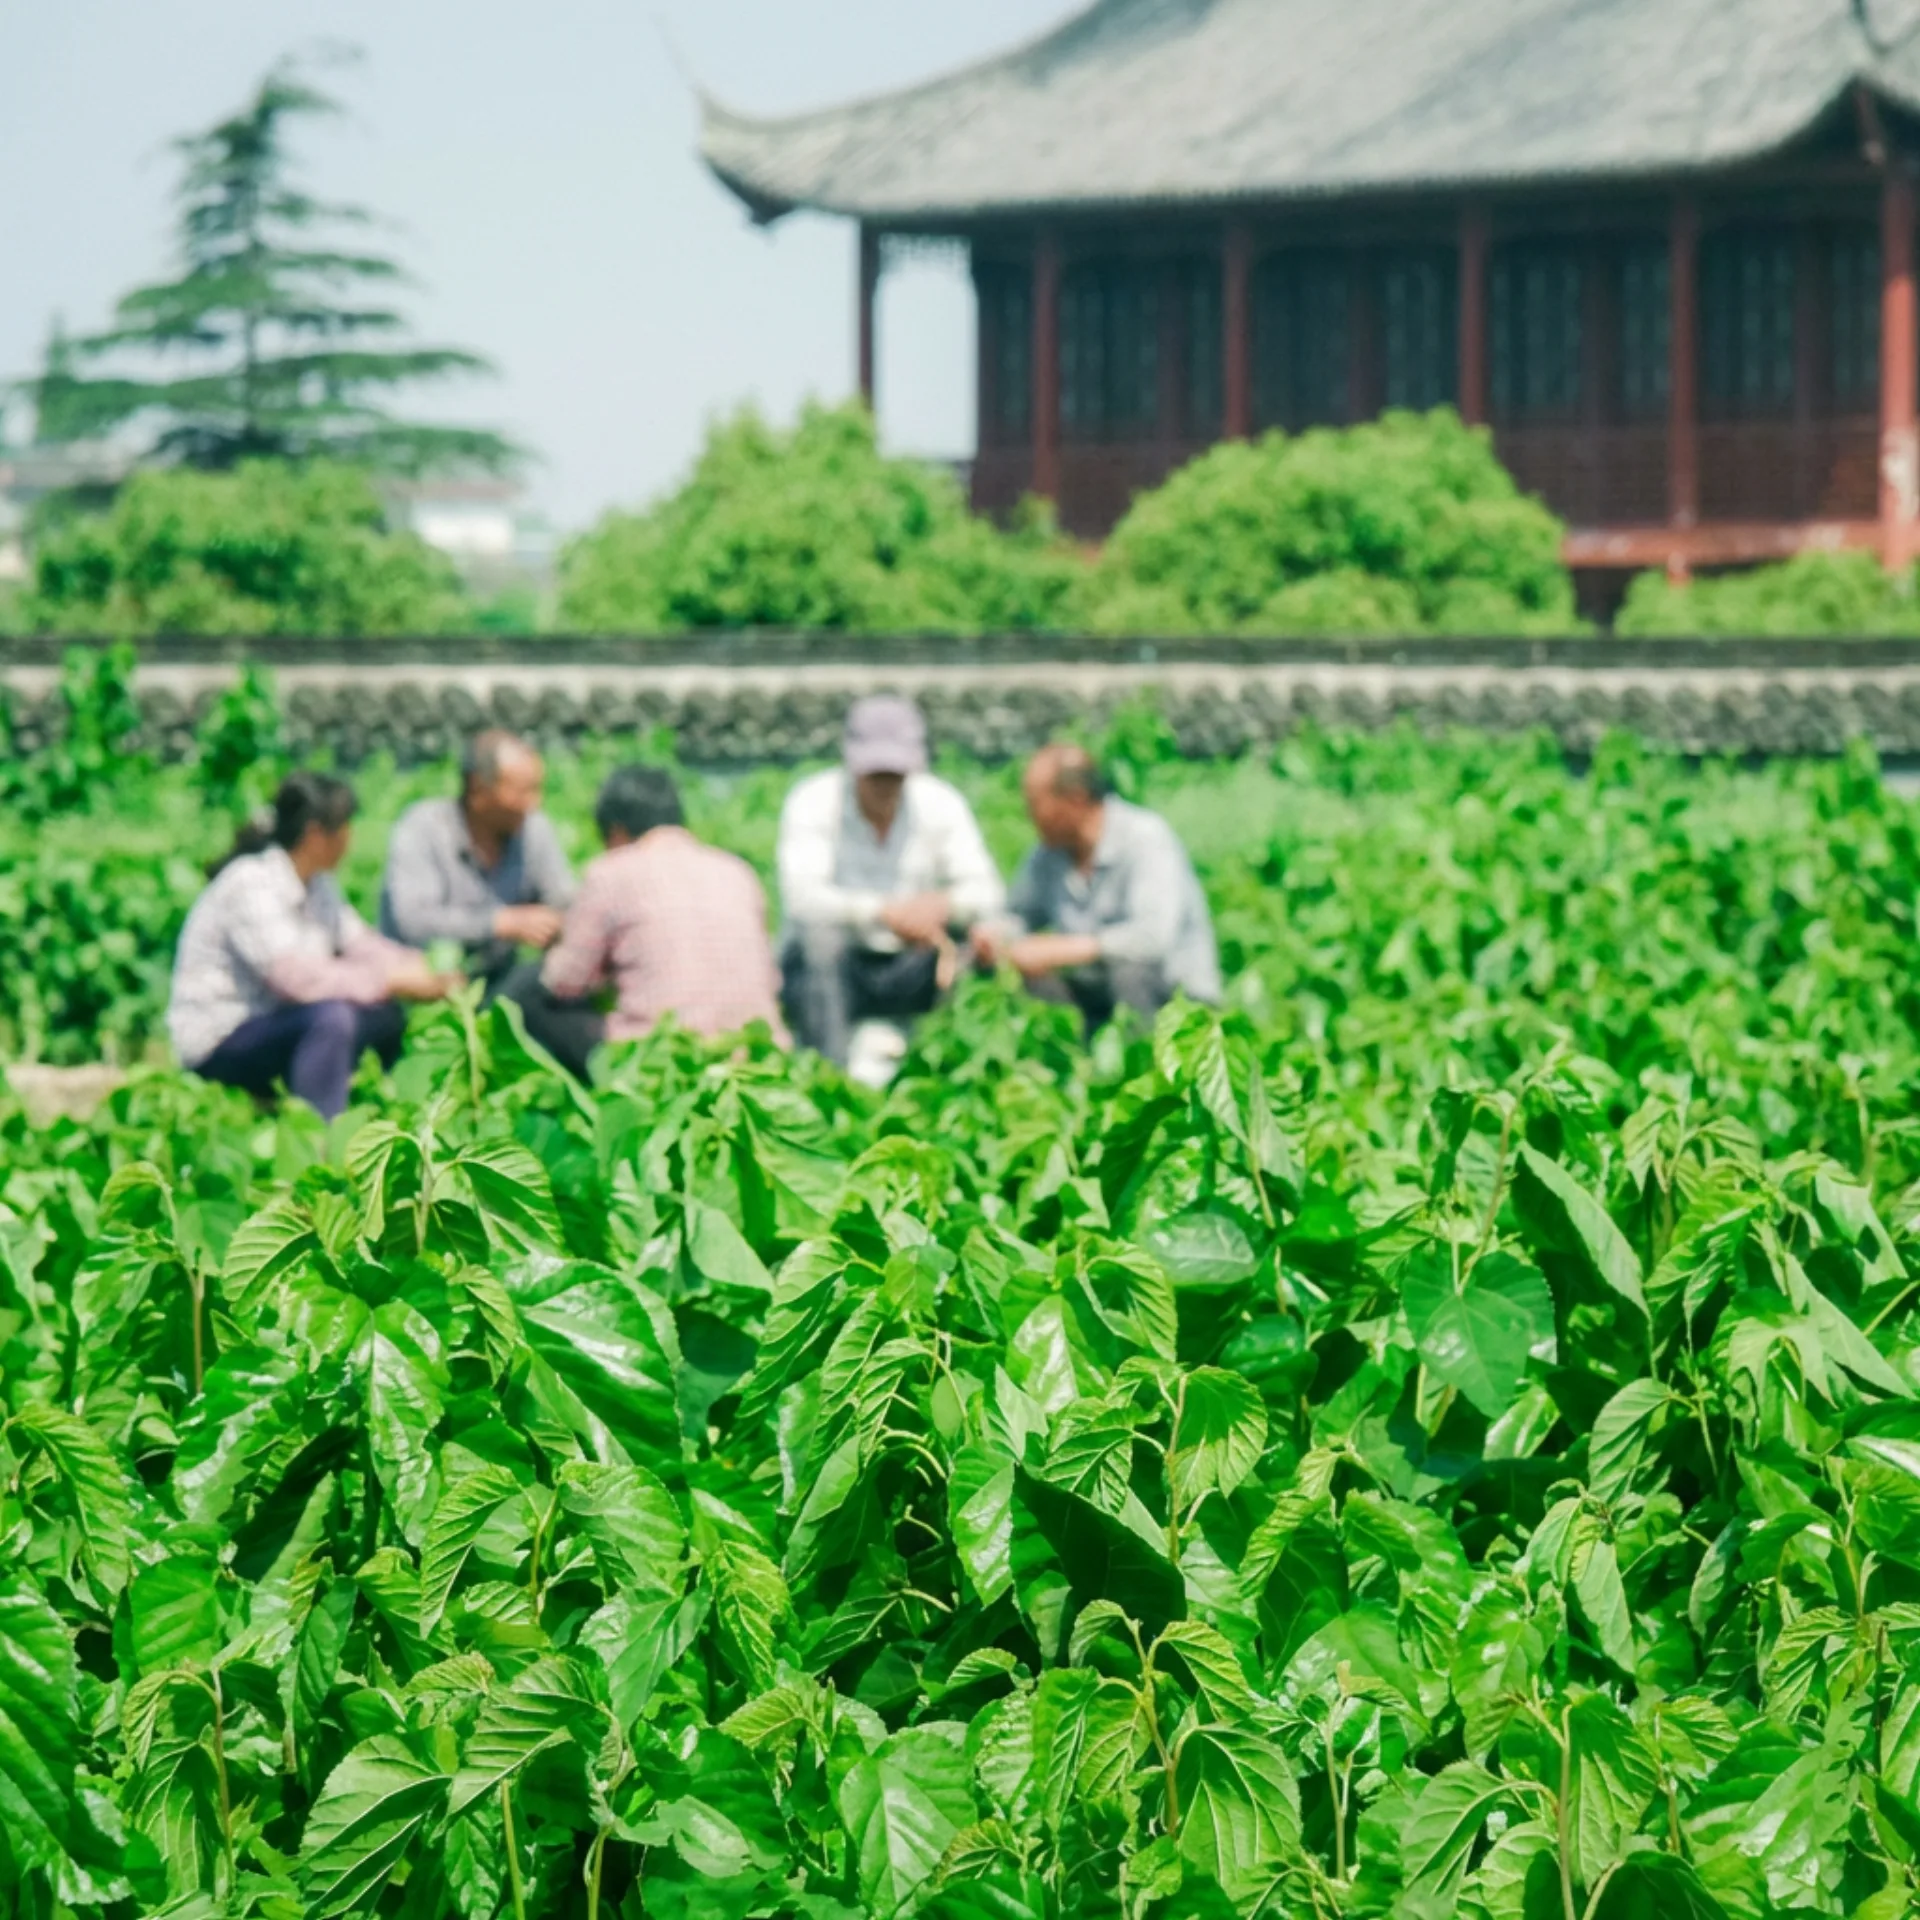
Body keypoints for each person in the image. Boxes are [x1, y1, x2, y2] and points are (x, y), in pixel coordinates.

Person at [168, 773, 457, 1119]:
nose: (350, 838)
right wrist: (391, 980)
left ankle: (381, 1114)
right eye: (345, 827)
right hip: (223, 1040)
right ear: (316, 834)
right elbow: (296, 980)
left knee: (386, 1016)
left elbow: (359, 943)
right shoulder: (251, 883)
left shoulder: (318, 884)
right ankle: (320, 1131)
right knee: (332, 1019)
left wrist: (421, 968)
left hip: (278, 1024)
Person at [777, 695, 1004, 1074]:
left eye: (895, 774)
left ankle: (955, 1072)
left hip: (912, 962)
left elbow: (987, 890)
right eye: (875, 774)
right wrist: (883, 912)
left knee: (984, 943)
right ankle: (828, 1073)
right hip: (840, 965)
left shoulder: (940, 803)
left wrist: (941, 906)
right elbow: (802, 899)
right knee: (818, 941)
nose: (885, 784)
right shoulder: (813, 802)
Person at [514, 765, 784, 1079]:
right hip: (753, 1051)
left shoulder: (611, 872)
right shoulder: (737, 871)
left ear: (616, 832)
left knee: (531, 1000)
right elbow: (771, 978)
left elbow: (564, 981)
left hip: (660, 1058)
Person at [976, 742, 1221, 1031]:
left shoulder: (1145, 839)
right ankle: (1067, 1053)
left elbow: (1151, 940)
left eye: (1036, 804)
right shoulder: (1047, 854)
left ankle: (1143, 1055)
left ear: (1076, 799)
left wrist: (1059, 949)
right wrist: (996, 935)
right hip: (1095, 990)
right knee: (1028, 976)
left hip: (1175, 997)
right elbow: (1019, 914)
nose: (1029, 815)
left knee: (1129, 975)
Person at [378, 729, 574, 987]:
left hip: (500, 979)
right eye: (523, 792)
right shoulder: (423, 829)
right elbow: (414, 921)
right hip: (425, 985)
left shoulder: (533, 828)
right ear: (478, 790)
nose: (534, 803)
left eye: (536, 790)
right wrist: (500, 923)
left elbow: (562, 899)